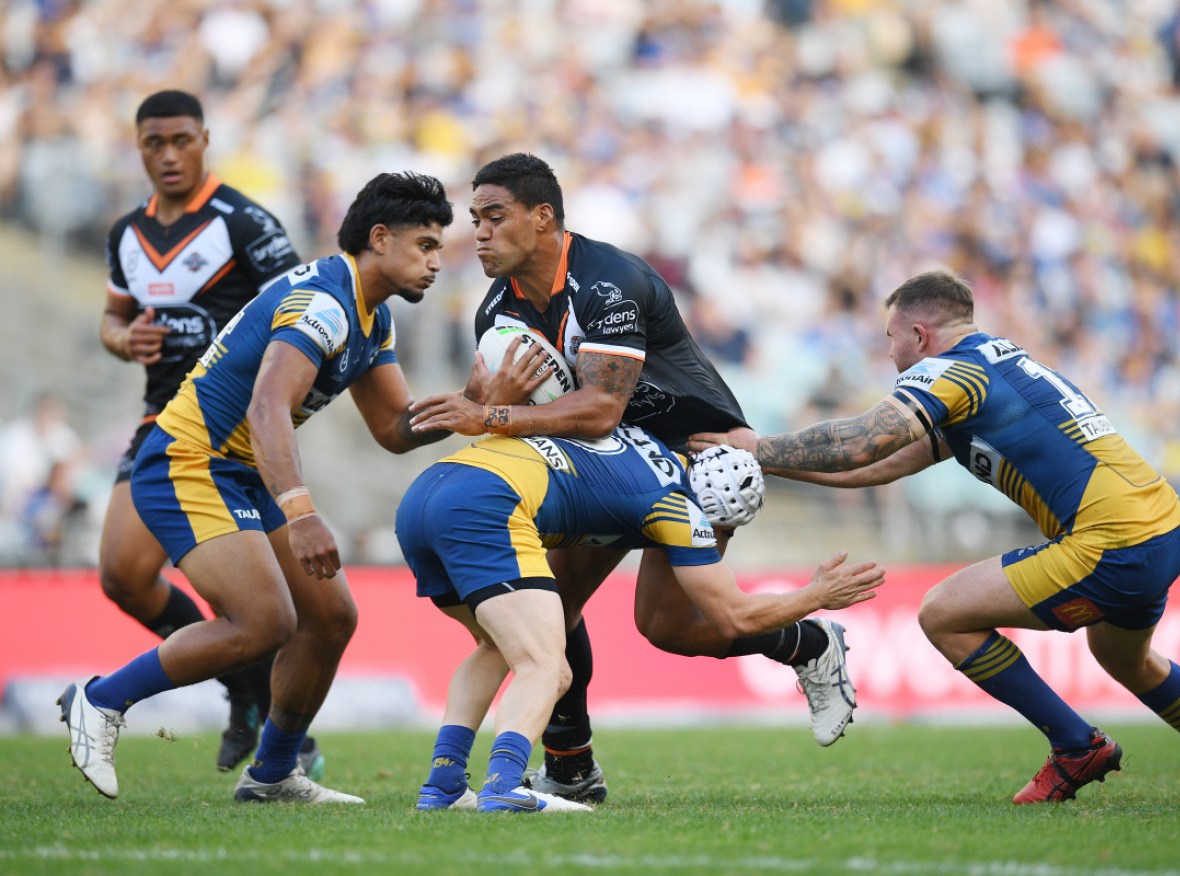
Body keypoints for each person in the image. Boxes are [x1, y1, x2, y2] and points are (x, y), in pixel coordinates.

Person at [690, 269, 1180, 805]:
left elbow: (860, 442)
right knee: (1125, 658)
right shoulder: (998, 367)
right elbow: (877, 467)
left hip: (1113, 540)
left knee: (944, 613)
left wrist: (758, 446)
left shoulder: (951, 372)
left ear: (920, 335)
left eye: (891, 338)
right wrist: (762, 463)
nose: (890, 351)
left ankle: (1076, 746)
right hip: (1161, 525)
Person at [411, 153, 857, 803]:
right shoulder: (496, 310)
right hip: (600, 458)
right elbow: (494, 408)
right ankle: (569, 768)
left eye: (493, 216)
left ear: (542, 218)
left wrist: (492, 412)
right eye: (473, 218)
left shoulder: (607, 282)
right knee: (550, 611)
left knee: (670, 627)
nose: (476, 231)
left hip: (691, 456)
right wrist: (484, 403)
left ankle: (810, 641)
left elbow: (598, 408)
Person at [58, 171, 456, 803]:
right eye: (427, 245)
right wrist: (301, 513)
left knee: (330, 617)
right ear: (380, 238)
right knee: (266, 620)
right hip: (191, 458)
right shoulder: (325, 303)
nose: (438, 262)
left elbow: (391, 426)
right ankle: (100, 700)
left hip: (238, 467)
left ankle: (272, 775)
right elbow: (267, 408)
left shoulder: (371, 317)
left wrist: (475, 406)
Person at [396, 425, 884, 813]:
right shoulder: (679, 507)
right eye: (722, 534)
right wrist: (817, 594)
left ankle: (443, 784)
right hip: (487, 505)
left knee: (496, 648)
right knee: (547, 667)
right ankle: (503, 787)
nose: (717, 543)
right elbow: (732, 615)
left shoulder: (642, 439)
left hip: (425, 494)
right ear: (716, 516)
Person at [97, 89, 313, 774]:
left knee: (264, 608)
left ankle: (285, 735)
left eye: (181, 140)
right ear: (139, 148)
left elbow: (304, 309)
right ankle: (242, 684)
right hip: (159, 421)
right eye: (153, 143)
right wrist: (123, 338)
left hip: (229, 432)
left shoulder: (244, 222)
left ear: (205, 139)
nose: (168, 155)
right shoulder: (126, 235)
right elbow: (110, 321)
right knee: (123, 576)